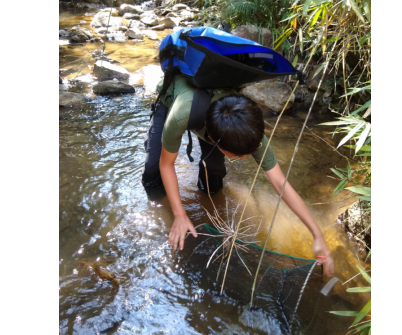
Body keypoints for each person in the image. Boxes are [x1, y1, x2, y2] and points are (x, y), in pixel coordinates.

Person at [142, 76, 335, 277]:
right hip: (173, 102)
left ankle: (210, 198)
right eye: (238, 156)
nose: (243, 158)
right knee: (152, 172)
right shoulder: (181, 115)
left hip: (214, 119)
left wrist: (317, 234)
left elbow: (280, 182)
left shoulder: (248, 129)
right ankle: (161, 206)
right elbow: (167, 164)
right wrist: (179, 215)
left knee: (214, 174)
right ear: (216, 141)